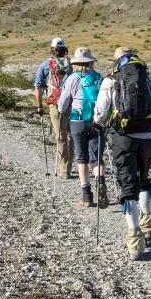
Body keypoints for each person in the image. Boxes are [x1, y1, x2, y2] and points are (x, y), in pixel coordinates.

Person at [95, 47, 151, 261]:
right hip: (148, 136)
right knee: (144, 180)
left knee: (128, 185)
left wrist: (98, 124)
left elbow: (101, 111)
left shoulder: (111, 80)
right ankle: (148, 226)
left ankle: (135, 240)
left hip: (123, 137)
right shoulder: (149, 79)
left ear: (117, 61)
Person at [57, 47, 107, 209]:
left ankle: (86, 196)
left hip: (77, 121)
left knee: (82, 158)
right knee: (96, 157)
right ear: (91, 62)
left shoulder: (72, 79)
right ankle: (101, 182)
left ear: (75, 63)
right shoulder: (100, 78)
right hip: (97, 122)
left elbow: (62, 105)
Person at [35, 37, 74, 178]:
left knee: (60, 135)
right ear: (65, 50)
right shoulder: (72, 64)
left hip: (55, 104)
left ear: (52, 49)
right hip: (71, 104)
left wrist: (39, 106)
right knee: (70, 134)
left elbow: (38, 88)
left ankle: (64, 169)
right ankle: (68, 166)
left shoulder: (45, 65)